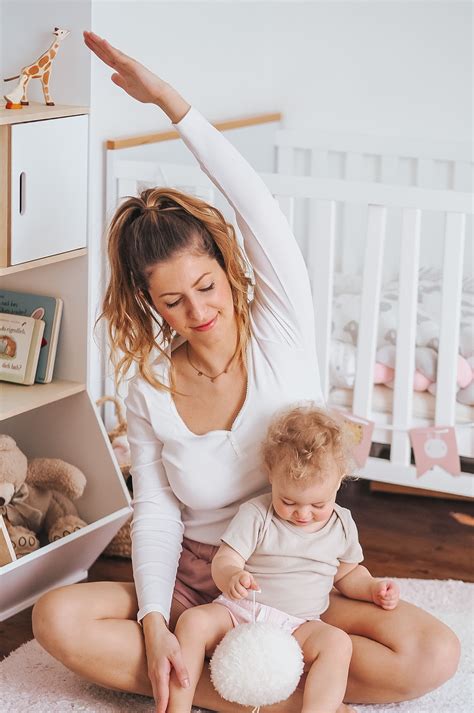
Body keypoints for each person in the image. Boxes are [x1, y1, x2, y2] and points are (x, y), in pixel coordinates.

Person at [31, 31, 460, 713]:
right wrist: (151, 619)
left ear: (227, 268)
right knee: (55, 617)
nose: (197, 309)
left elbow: (253, 199)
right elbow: (157, 510)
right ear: (151, 303)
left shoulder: (281, 326)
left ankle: (227, 682)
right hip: (200, 585)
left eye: (206, 285)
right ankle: (254, 684)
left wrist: (170, 102)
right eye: (173, 300)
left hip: (299, 578)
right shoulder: (149, 385)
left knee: (433, 651)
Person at [167, 406, 399, 713]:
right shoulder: (257, 513)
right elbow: (226, 559)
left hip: (298, 627)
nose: (302, 514)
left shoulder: (342, 524)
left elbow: (348, 574)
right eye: (288, 501)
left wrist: (372, 588)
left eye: (318, 504)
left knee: (338, 643)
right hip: (239, 613)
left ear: (339, 481)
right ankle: (176, 708)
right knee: (193, 622)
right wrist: (232, 575)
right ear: (271, 474)